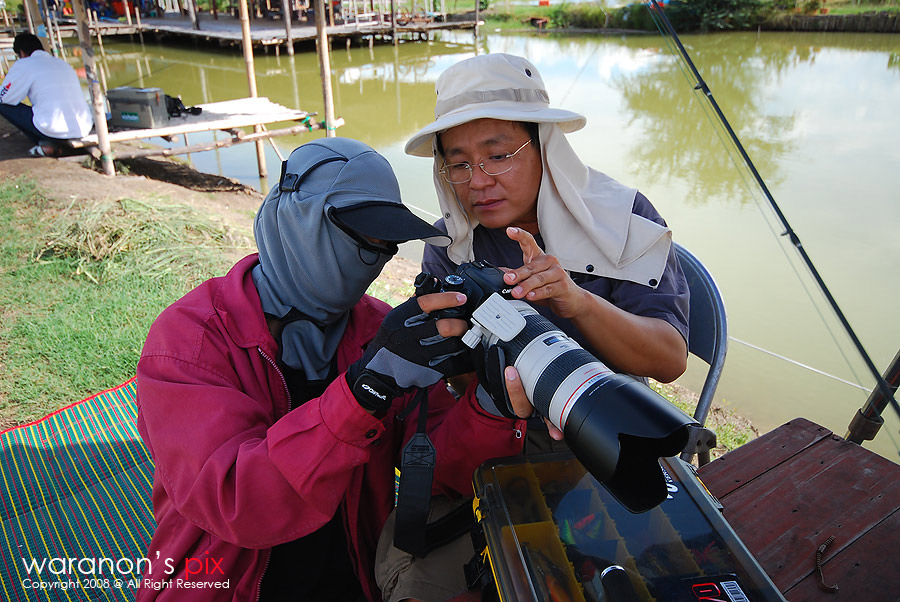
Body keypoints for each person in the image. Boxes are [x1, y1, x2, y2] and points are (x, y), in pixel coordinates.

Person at [134, 138, 529, 601]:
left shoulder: (378, 329)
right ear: (300, 220)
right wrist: (364, 392)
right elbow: (238, 504)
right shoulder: (189, 341)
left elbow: (437, 463)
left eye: (389, 244)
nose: (378, 260)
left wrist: (490, 405)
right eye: (366, 237)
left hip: (355, 573)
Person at [375, 53, 691, 602]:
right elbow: (452, 380)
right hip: (493, 434)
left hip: (603, 436)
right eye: (459, 163)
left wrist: (576, 303)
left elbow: (669, 359)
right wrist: (444, 340)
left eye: (498, 155)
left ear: (544, 145)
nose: (479, 182)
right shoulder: (453, 244)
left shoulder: (620, 222)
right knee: (415, 576)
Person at [0, 33, 93, 157]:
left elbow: (4, 97)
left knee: (2, 104)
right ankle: (48, 143)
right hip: (83, 127)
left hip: (52, 128)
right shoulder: (62, 64)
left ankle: (45, 143)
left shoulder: (25, 64)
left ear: (22, 53)